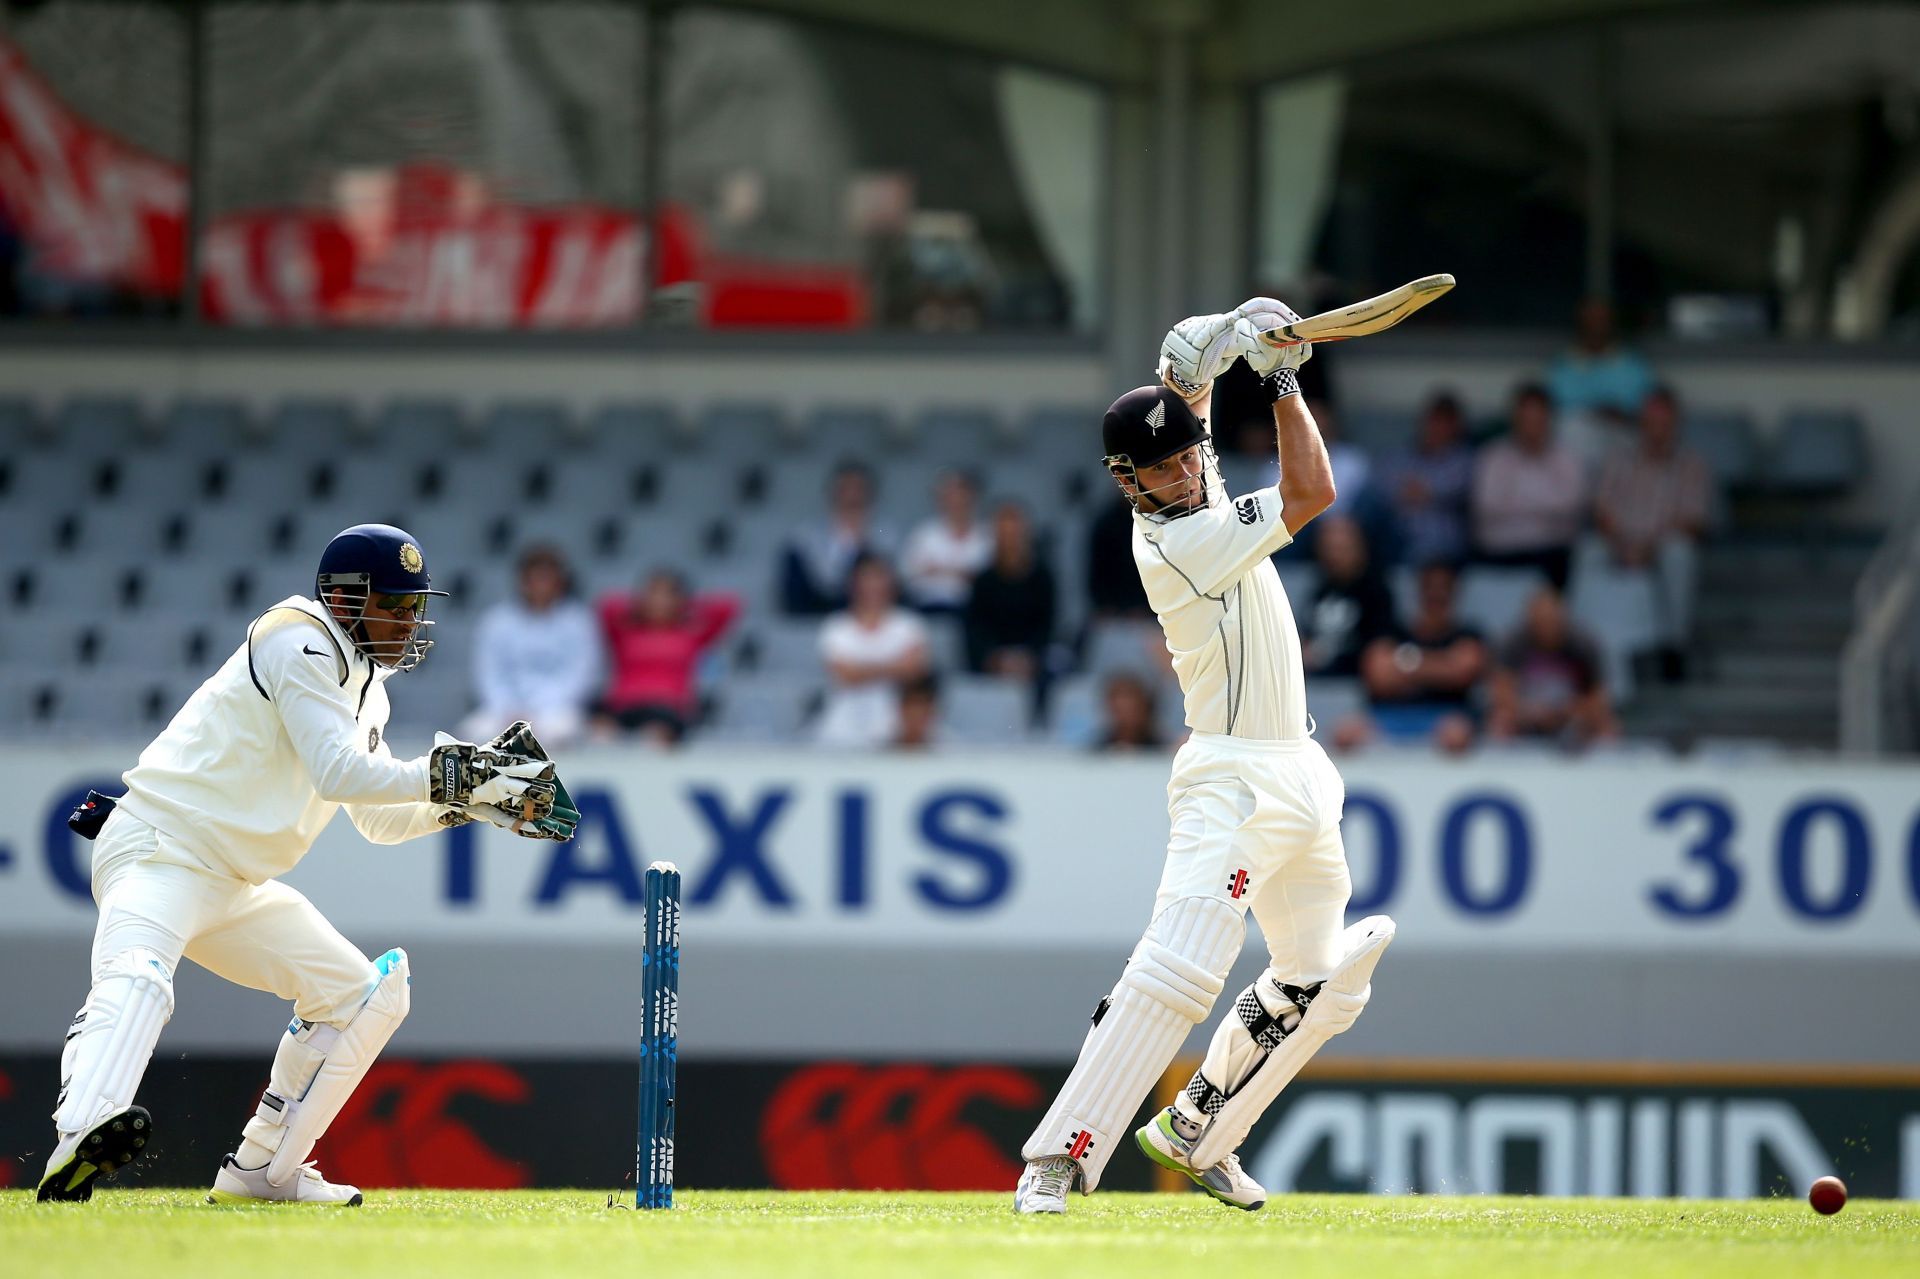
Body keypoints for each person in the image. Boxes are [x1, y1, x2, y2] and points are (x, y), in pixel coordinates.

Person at [37, 524, 570, 1206]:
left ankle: (264, 1167)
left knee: (365, 993)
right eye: (396, 607)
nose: (410, 624)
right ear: (346, 600)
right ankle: (78, 1138)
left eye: (416, 609)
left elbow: (376, 819)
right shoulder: (299, 638)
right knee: (139, 976)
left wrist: (467, 801)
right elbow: (340, 770)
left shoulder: (369, 689)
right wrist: (452, 771)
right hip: (160, 847)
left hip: (234, 885)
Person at [1015, 300, 1393, 1216]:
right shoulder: (1177, 541)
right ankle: (1056, 1159)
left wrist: (1224, 339)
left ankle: (1199, 1128)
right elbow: (1312, 493)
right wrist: (1284, 374)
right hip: (1227, 780)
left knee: (1325, 978)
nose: (1184, 473)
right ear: (1128, 482)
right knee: (1180, 968)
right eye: (1162, 466)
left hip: (1300, 770)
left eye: (1189, 456)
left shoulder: (1202, 485)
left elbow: (1183, 391)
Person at [1591, 386, 1711, 659]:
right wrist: (1623, 545)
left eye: (1664, 423)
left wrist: (1647, 549)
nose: (1657, 429)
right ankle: (1589, 644)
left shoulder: (1692, 464)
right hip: (1619, 541)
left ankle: (1673, 645)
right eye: (1650, 422)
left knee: (1680, 553)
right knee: (1589, 552)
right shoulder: (1618, 459)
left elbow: (1693, 522)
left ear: (1675, 424)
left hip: (1663, 546)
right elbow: (1601, 510)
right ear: (1640, 423)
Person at [463, 545, 601, 747]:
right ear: (523, 581)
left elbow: (581, 675)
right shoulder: (496, 621)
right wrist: (509, 710)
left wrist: (538, 711)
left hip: (557, 710)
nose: (541, 586)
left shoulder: (578, 621)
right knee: (472, 734)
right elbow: (487, 674)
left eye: (547, 579)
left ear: (559, 583)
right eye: (536, 579)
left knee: (562, 734)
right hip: (502, 710)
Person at [595, 569, 740, 745]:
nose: (658, 601)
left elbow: (728, 606)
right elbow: (605, 605)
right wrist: (638, 604)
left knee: (655, 737)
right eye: (653, 594)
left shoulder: (691, 634)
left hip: (670, 708)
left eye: (667, 595)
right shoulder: (625, 632)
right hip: (623, 705)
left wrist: (686, 605)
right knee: (600, 734)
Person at [1355, 563, 1487, 754]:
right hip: (1391, 715)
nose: (1436, 595)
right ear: (1420, 590)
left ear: (1454, 593)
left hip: (1445, 714)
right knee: (1348, 734)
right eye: (1430, 587)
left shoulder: (1467, 633)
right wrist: (1442, 667)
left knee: (1456, 733)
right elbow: (1378, 674)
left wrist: (1405, 664)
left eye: (1443, 588)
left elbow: (1463, 671)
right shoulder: (1394, 632)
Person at [1472, 383, 1586, 588]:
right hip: (1499, 554)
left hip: (1551, 556)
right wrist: (1544, 505)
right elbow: (1486, 507)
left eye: (1538, 419)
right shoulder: (1492, 456)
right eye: (1526, 419)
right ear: (1515, 418)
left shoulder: (1567, 458)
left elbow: (1571, 507)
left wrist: (1515, 500)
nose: (1532, 426)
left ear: (1549, 419)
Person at [815, 555, 930, 749]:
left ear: (891, 584)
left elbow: (915, 672)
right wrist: (894, 666)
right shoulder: (835, 627)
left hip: (895, 723)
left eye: (879, 578)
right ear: (854, 584)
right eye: (867, 579)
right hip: (843, 721)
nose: (873, 586)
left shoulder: (909, 625)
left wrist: (861, 668)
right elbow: (844, 675)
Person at [1487, 585, 1620, 749]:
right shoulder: (1512, 642)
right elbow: (1501, 692)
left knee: (1608, 725)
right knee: (1500, 722)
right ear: (1530, 618)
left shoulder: (1584, 643)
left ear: (1563, 617)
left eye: (1552, 620)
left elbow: (1599, 696)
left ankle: (1605, 771)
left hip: (1572, 716)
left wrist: (1570, 710)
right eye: (1541, 621)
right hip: (1526, 714)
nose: (1547, 626)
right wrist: (1530, 711)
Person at [779, 461, 893, 615]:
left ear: (869, 493)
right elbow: (823, 582)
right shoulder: (808, 533)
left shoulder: (884, 531)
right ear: (833, 492)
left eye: (858, 488)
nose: (852, 495)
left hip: (869, 607)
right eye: (846, 488)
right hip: (820, 605)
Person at [963, 501, 1056, 684]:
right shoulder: (983, 580)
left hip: (1033, 660)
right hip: (993, 661)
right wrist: (995, 659)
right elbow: (975, 627)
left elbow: (1047, 624)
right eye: (1004, 533)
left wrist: (1028, 658)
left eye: (1014, 532)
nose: (1010, 539)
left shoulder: (1043, 578)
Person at [1383, 391, 1475, 567]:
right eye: (1433, 421)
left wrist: (1425, 492)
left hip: (1446, 545)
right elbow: (1385, 489)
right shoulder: (1400, 456)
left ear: (1456, 427)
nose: (1436, 428)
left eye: (1444, 423)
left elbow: (1455, 490)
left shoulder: (1464, 459)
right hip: (1398, 539)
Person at [1300, 514, 1398, 679]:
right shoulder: (1320, 590)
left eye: (1341, 548)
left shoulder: (1375, 592)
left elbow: (1379, 649)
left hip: (1356, 683)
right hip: (1315, 681)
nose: (1334, 556)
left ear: (1360, 548)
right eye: (1328, 548)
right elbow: (1306, 635)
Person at [1547, 297, 1654, 420]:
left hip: (1622, 434)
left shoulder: (1635, 367)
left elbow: (1649, 415)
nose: (1596, 327)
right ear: (1580, 323)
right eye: (1590, 320)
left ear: (1612, 323)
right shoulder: (1561, 367)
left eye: (1601, 320)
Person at [900, 470, 992, 612]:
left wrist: (939, 570)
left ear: (973, 496)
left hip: (977, 611)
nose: (956, 500)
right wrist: (961, 574)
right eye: (949, 494)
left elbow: (989, 578)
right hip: (927, 609)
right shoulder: (924, 535)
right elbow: (908, 575)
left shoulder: (988, 536)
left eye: (961, 494)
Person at [1092, 671, 1165, 752]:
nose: (1125, 717)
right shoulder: (1096, 749)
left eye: (1133, 710)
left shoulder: (1162, 748)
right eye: (1119, 711)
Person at [889, 674, 944, 750]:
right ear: (901, 709)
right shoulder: (880, 754)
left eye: (922, 713)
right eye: (912, 713)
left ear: (932, 712)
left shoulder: (947, 753)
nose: (916, 717)